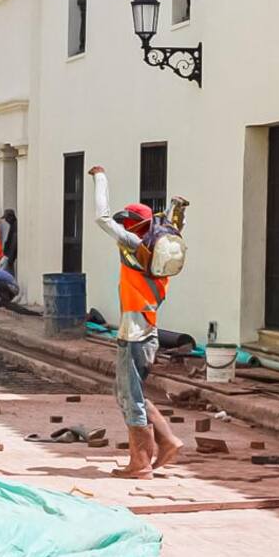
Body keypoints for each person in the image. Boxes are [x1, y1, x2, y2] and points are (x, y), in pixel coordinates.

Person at [90, 164, 187, 479]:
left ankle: (140, 462)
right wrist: (176, 210)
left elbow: (102, 218)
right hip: (147, 331)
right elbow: (173, 226)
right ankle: (167, 440)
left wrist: (100, 177)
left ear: (133, 226)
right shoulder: (162, 252)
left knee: (130, 398)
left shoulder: (134, 247)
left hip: (133, 335)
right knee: (127, 393)